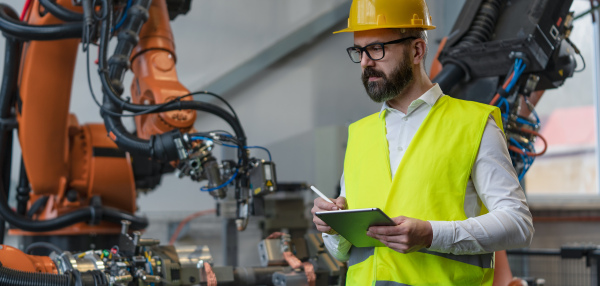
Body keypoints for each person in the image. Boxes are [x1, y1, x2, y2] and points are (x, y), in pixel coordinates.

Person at [310, 0, 534, 285]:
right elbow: (343, 254)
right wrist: (333, 227)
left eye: (377, 49)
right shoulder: (359, 134)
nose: (366, 62)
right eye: (359, 51)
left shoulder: (473, 124)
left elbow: (518, 224)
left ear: (417, 50)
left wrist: (431, 234)